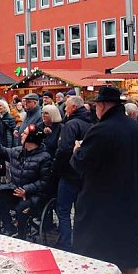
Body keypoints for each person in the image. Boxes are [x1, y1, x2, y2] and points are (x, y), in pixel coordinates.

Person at [70, 86, 138, 274]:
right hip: (128, 198)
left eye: (96, 106)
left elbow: (81, 163)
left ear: (102, 105)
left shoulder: (101, 130)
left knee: (97, 248)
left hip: (101, 201)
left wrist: (77, 150)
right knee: (125, 247)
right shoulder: (134, 127)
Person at [0, 125, 52, 238]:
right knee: (0, 194)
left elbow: (45, 181)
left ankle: (21, 235)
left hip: (34, 195)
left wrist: (26, 190)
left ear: (31, 138)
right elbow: (2, 150)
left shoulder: (44, 157)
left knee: (21, 208)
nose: (21, 134)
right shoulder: (18, 151)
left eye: (25, 133)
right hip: (16, 188)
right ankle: (9, 227)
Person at [52, 96, 91, 251]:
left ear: (74, 107)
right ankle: (82, 243)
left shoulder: (71, 124)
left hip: (69, 174)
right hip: (85, 175)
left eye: (66, 107)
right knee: (81, 212)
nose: (64, 109)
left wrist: (56, 170)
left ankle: (66, 243)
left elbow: (63, 150)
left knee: (63, 210)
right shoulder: (91, 124)